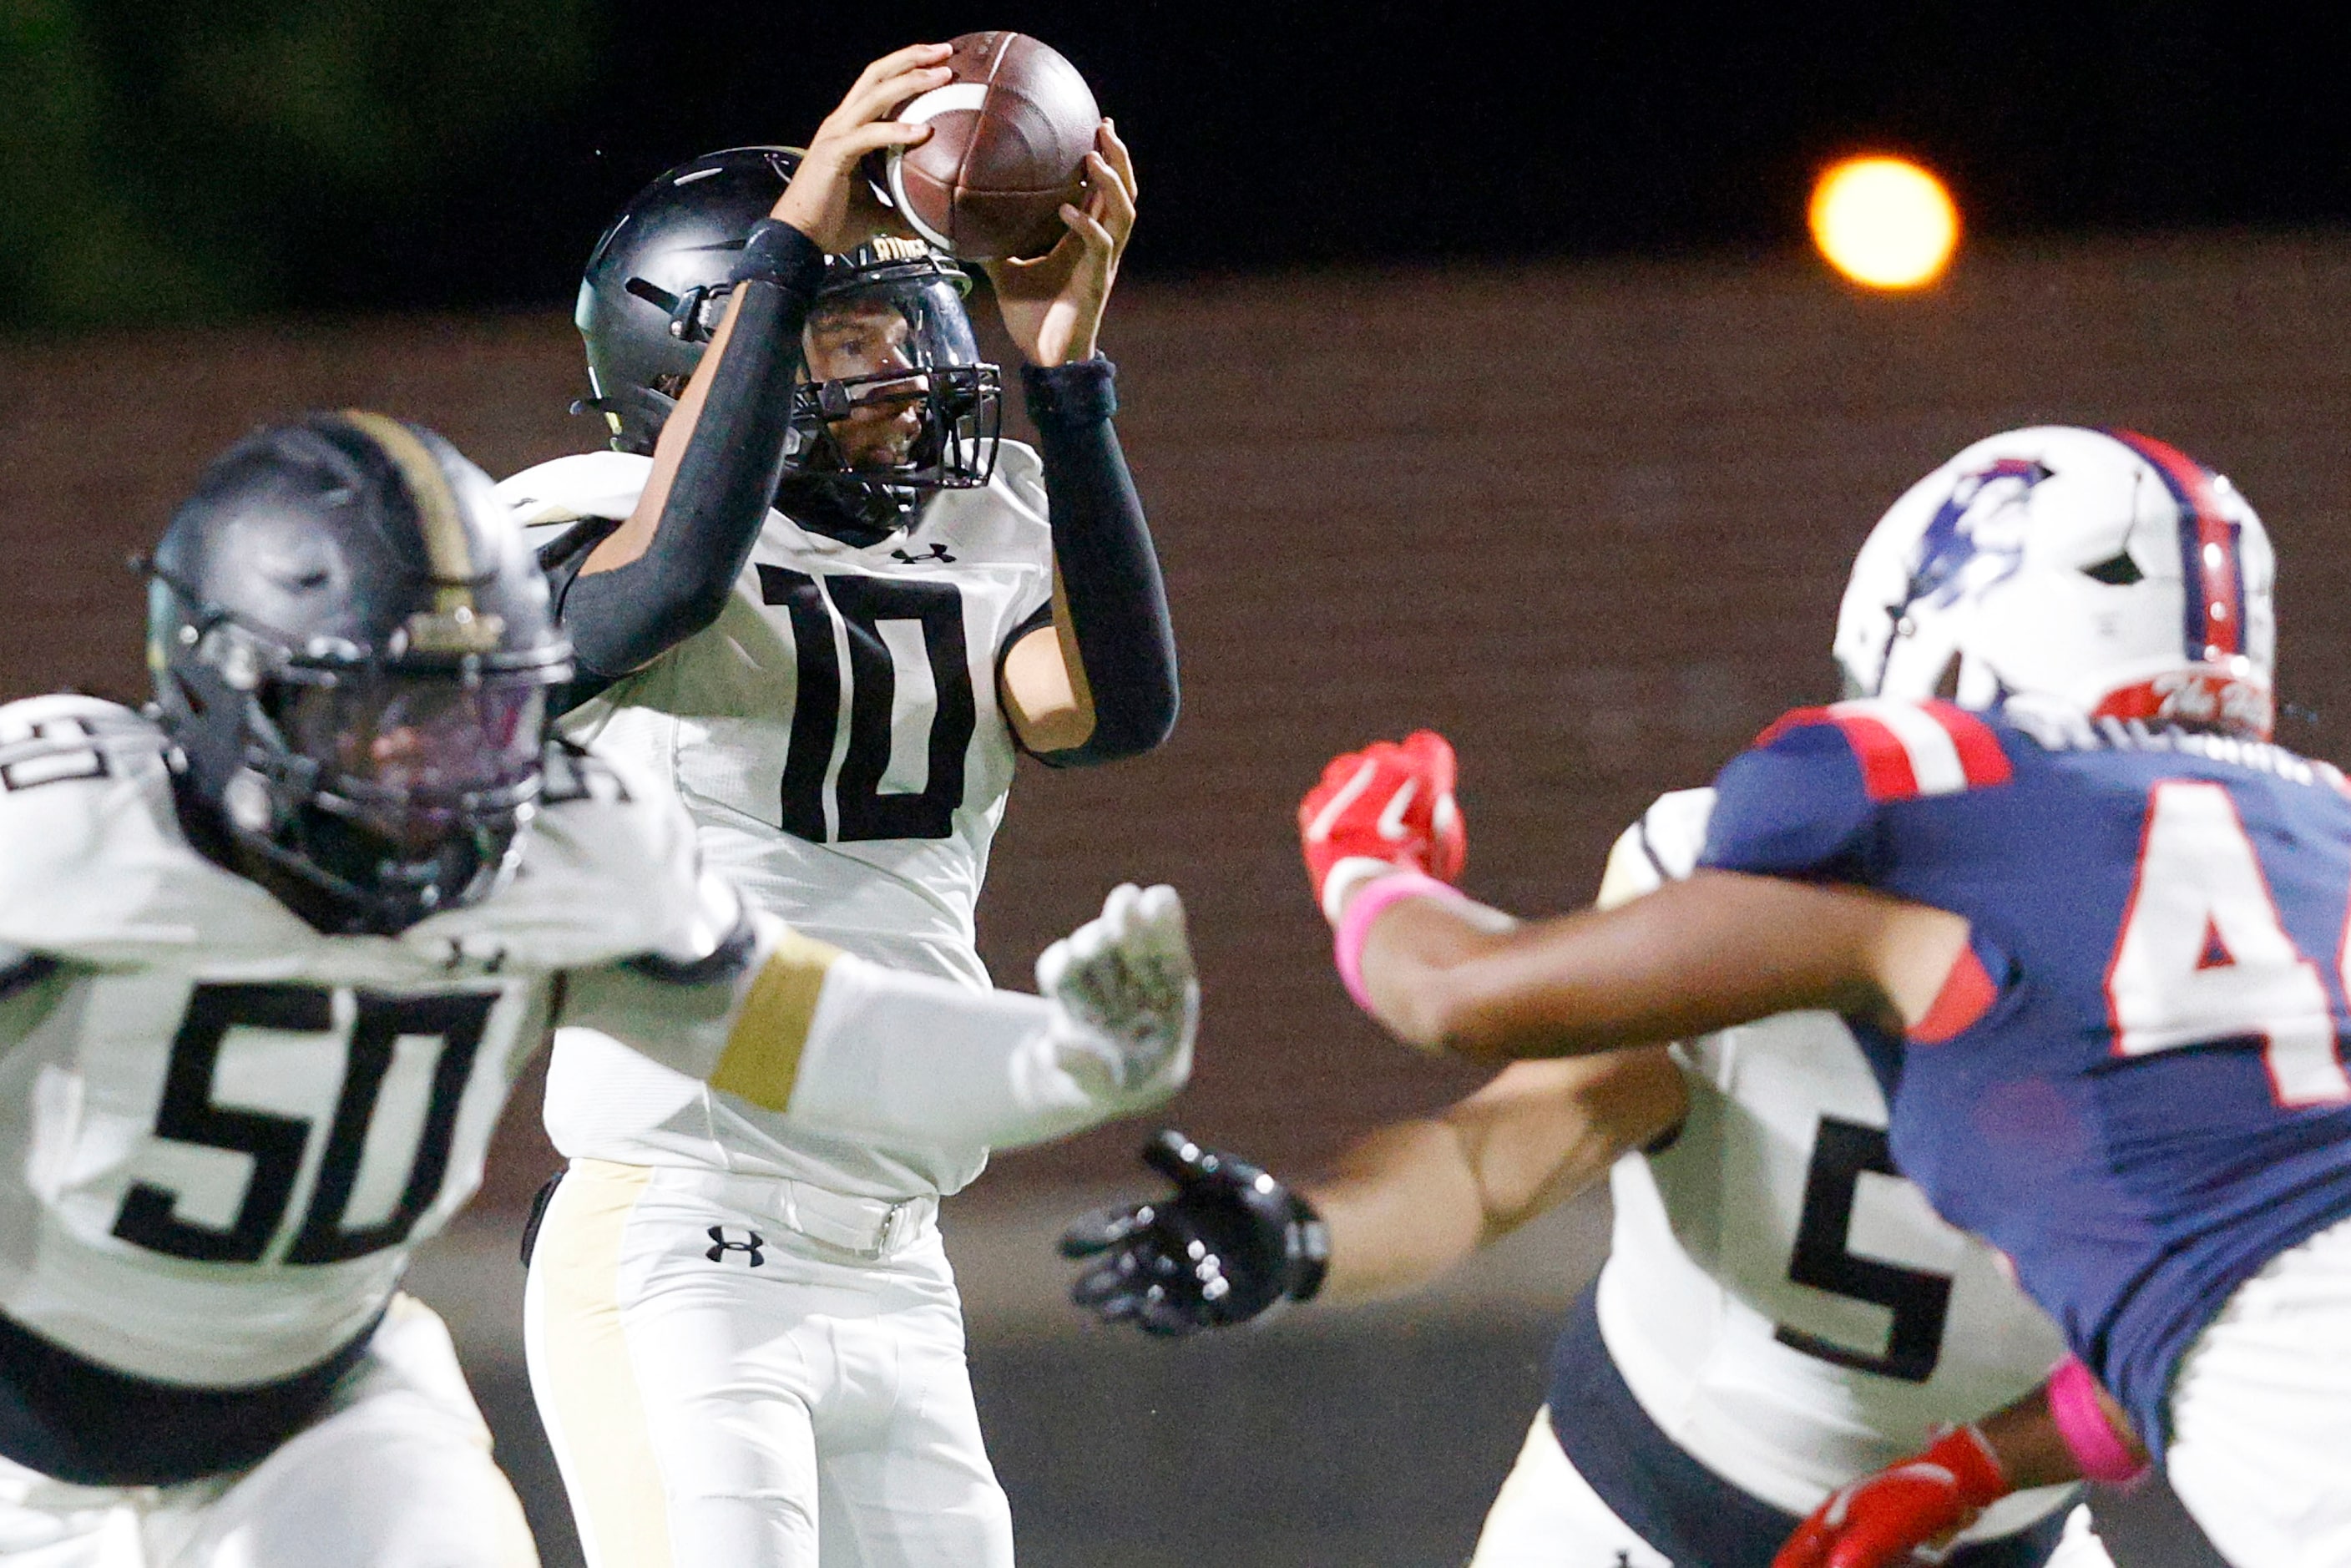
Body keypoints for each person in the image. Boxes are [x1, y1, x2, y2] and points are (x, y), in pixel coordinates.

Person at [0, 411, 1194, 1566]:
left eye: (475, 704)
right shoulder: (63, 828)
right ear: (228, 684)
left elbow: (818, 1037)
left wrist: (1064, 1058)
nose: (436, 759)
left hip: (316, 1411)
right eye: (375, 708)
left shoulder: (562, 845)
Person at [1061, 432, 2157, 1567]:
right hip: (1662, 1517)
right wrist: (1303, 1234)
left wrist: (1366, 869)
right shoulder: (2265, 960)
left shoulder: (1772, 876)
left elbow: (1465, 1034)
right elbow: (1514, 1144)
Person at [1277, 425, 2349, 1568]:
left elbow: (1461, 995)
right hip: (1682, 1491)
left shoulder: (1873, 851)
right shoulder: (2307, 870)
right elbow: (2215, 1300)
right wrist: (1969, 1468)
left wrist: (1364, 866)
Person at [503, 43, 1177, 1568]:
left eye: (900, 325)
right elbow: (671, 581)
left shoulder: (973, 529)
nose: (896, 377)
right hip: (682, 1231)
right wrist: (789, 239)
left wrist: (1069, 380)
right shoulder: (583, 525)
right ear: (702, 358)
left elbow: (1116, 708)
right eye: (839, 338)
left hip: (897, 1262)